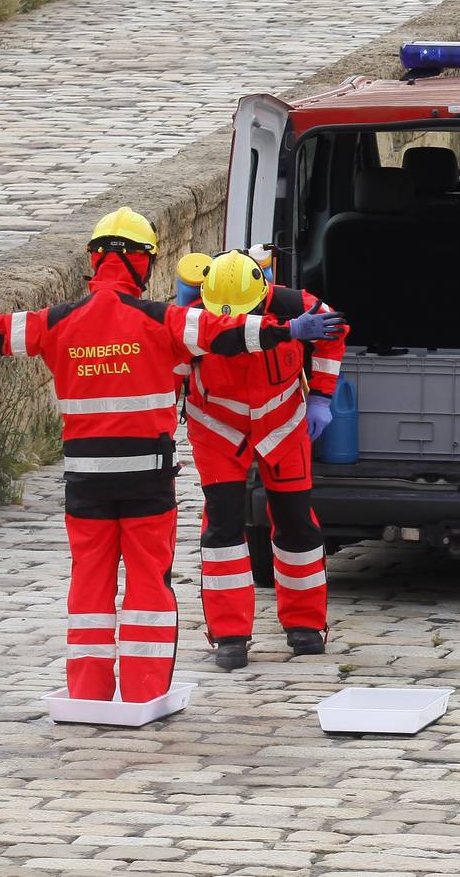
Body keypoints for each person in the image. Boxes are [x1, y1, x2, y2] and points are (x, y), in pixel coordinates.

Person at [0, 207, 345, 702]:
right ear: (145, 263)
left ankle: (91, 691)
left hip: (99, 479)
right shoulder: (166, 319)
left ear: (94, 260)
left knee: (95, 586)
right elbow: (227, 337)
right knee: (171, 571)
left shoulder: (59, 321)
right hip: (166, 466)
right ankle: (171, 676)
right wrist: (286, 335)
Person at [183, 250, 345, 670]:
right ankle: (229, 635)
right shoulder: (190, 318)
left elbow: (334, 331)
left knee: (295, 522)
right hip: (218, 426)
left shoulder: (297, 305)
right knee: (223, 528)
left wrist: (323, 396)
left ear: (262, 294)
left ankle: (306, 627)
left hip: (283, 424)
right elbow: (171, 369)